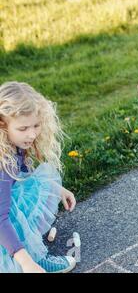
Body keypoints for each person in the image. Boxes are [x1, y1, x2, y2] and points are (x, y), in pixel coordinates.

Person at [0, 81, 77, 273]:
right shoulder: (2, 163)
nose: (32, 134)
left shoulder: (12, 143)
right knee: (14, 208)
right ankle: (33, 258)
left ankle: (26, 250)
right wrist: (27, 263)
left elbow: (24, 173)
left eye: (36, 125)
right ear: (3, 124)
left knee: (33, 182)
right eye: (23, 129)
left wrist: (57, 189)